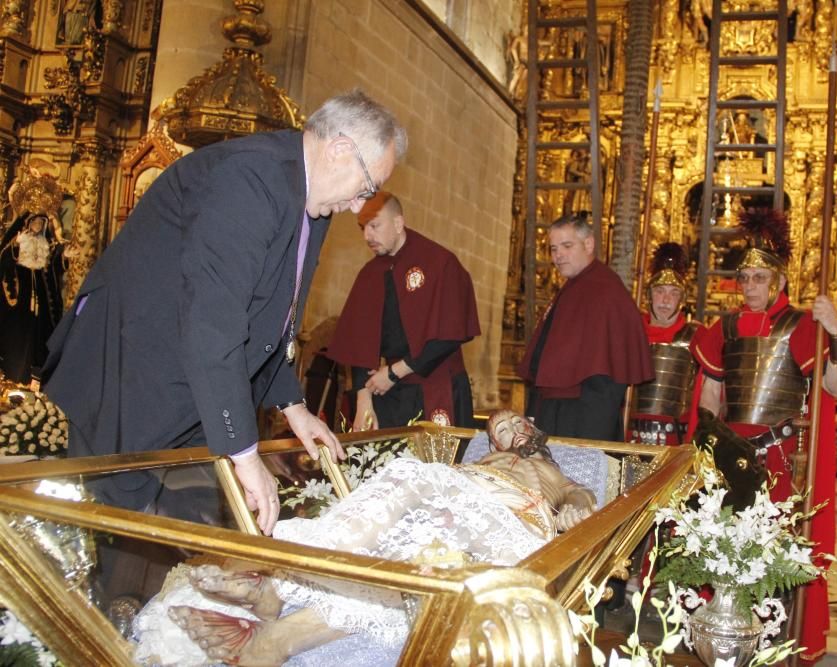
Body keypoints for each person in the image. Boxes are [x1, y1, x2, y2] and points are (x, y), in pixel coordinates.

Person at [43, 89, 407, 536]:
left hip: (193, 383)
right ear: (340, 149)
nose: (358, 205)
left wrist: (294, 407)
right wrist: (244, 453)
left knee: (194, 537)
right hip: (131, 379)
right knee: (122, 537)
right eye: (366, 189)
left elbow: (272, 315)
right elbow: (214, 322)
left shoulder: (307, 196)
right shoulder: (250, 177)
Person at [133, 409, 596, 666]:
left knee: (434, 538)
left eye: (514, 423)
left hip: (513, 525)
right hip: (456, 501)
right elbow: (444, 490)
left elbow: (582, 498)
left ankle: (282, 588)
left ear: (534, 429)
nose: (506, 431)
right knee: (416, 543)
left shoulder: (555, 472)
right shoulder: (484, 461)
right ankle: (280, 618)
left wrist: (575, 508)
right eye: (497, 430)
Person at [690, 207, 837, 664]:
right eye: (746, 278)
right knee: (719, 549)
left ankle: (772, 643)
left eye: (760, 278)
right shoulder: (723, 328)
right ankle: (718, 636)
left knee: (770, 558)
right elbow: (712, 396)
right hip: (729, 459)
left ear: (778, 282)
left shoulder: (799, 327)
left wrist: (835, 332)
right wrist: (708, 442)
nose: (752, 287)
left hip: (777, 461)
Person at [327, 191, 480, 430]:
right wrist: (363, 402)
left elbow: (449, 335)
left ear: (398, 223)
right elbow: (359, 347)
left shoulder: (440, 263)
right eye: (363, 228)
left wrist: (395, 372)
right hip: (389, 391)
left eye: (375, 226)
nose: (367, 236)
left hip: (437, 385)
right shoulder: (369, 275)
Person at [517, 211, 652, 441]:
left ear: (588, 244)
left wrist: (589, 434)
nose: (558, 256)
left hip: (582, 417)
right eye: (553, 248)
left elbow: (606, 378)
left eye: (566, 246)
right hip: (556, 409)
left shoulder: (605, 290)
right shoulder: (574, 286)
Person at [632, 242, 704, 445]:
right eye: (659, 291)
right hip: (630, 436)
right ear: (648, 295)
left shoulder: (697, 337)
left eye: (673, 293)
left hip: (675, 439)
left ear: (682, 299)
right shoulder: (631, 334)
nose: (665, 300)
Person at [1, 192, 72, 384]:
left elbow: (53, 268)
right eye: (35, 223)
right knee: (18, 341)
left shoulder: (45, 246)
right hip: (18, 304)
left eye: (42, 223)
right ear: (27, 224)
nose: (38, 226)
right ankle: (13, 376)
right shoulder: (17, 243)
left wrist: (64, 257)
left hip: (41, 304)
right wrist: (15, 246)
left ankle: (34, 380)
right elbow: (5, 262)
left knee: (39, 340)